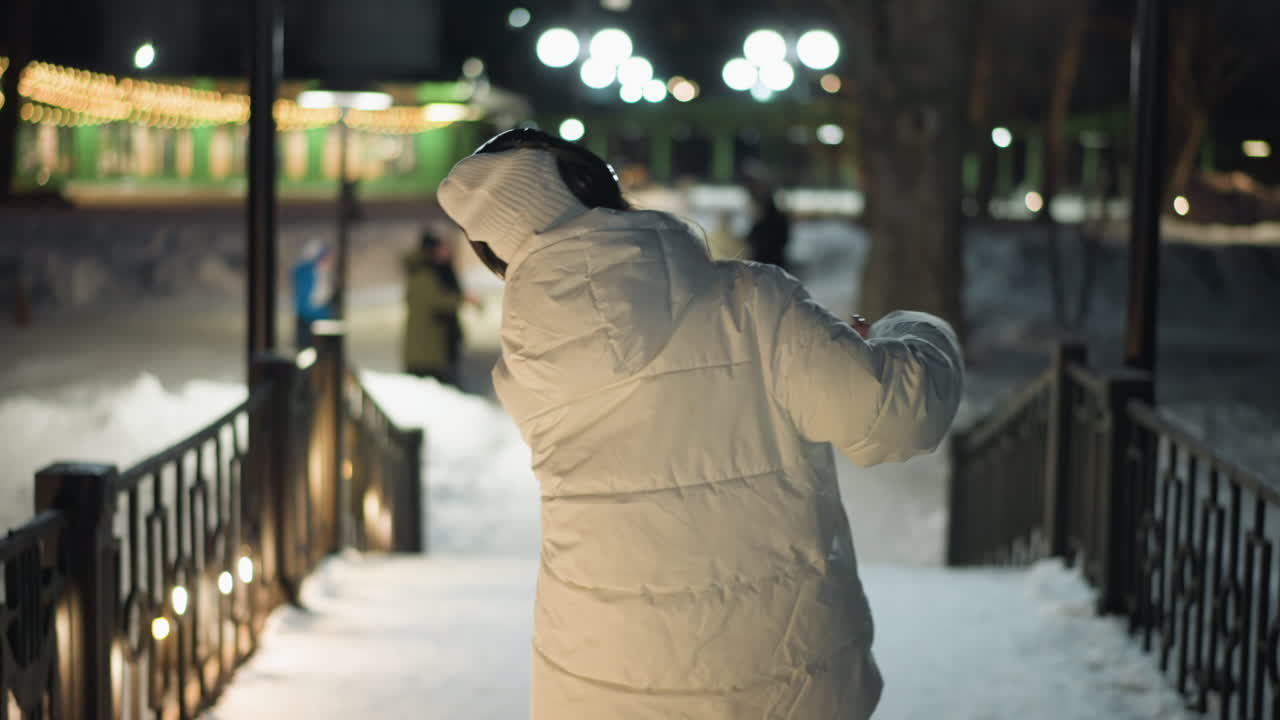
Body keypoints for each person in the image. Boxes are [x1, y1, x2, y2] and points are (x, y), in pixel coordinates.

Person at [436, 127, 964, 719]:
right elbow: (894, 417)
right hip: (775, 681)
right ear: (597, 189)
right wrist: (913, 331)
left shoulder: (528, 367)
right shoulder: (752, 304)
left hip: (595, 678)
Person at [402, 230, 465, 385]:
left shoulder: (429, 271)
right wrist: (463, 299)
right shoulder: (425, 274)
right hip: (426, 352)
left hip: (431, 347)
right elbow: (437, 301)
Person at [291, 238, 336, 349]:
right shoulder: (308, 274)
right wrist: (325, 316)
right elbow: (305, 306)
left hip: (314, 321)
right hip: (309, 323)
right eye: (327, 258)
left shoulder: (319, 274)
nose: (330, 262)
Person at [744, 176, 792, 270]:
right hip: (776, 267)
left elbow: (752, 239)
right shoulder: (780, 218)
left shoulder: (763, 221)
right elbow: (785, 240)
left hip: (763, 267)